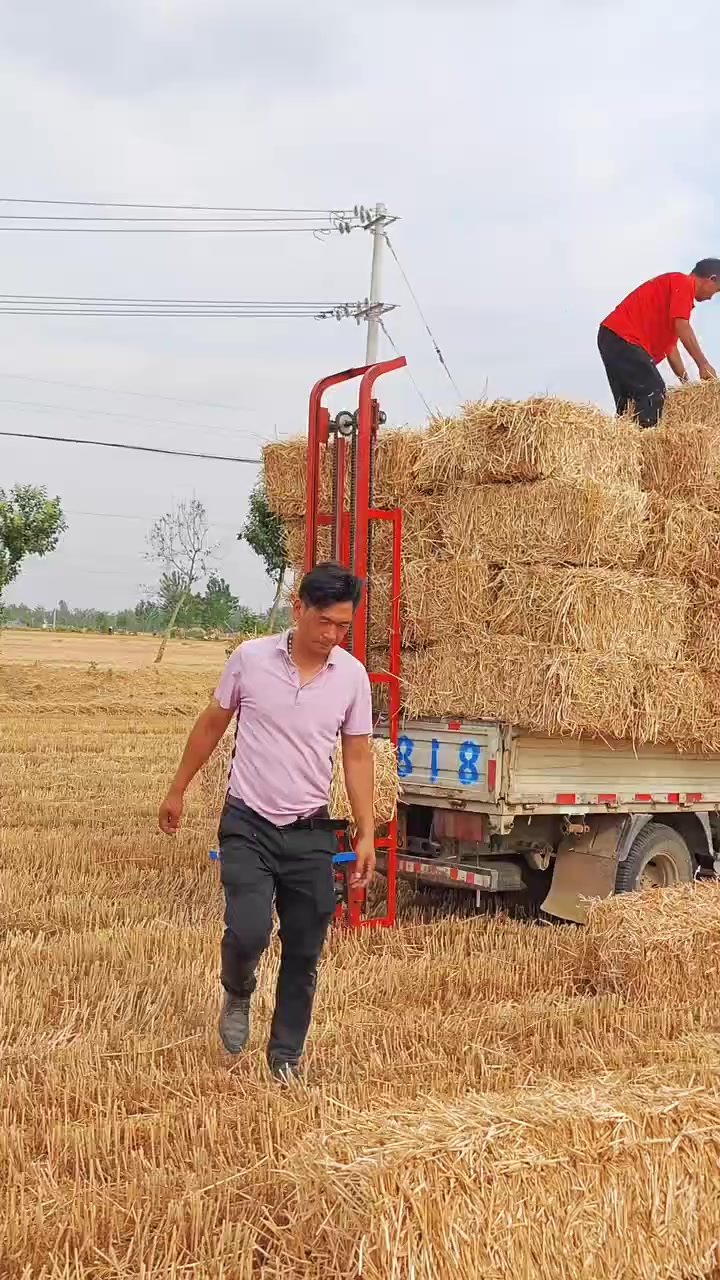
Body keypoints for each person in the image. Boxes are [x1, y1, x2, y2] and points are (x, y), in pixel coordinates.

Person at [158, 561, 375, 1079]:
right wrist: (178, 788)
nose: (332, 635)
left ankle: (285, 1057)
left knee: (305, 948)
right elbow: (212, 724)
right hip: (247, 824)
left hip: (310, 830)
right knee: (249, 930)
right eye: (324, 621)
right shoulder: (250, 659)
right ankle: (238, 990)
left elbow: (358, 756)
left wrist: (366, 831)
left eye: (343, 625)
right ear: (298, 608)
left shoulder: (352, 677)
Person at [597, 259, 720, 428]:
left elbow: (670, 349)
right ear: (712, 279)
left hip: (613, 337)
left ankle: (625, 440)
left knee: (629, 405)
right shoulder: (683, 283)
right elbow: (683, 326)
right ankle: (644, 442)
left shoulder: (675, 300)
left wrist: (686, 384)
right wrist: (703, 364)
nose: (711, 297)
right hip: (623, 336)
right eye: (716, 290)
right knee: (653, 392)